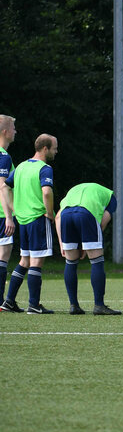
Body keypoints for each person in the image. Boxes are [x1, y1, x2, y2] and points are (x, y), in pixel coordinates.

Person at [2, 134, 58, 314]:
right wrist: (49, 213)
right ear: (45, 149)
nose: (56, 151)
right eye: (54, 148)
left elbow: (4, 187)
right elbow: (47, 192)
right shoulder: (45, 168)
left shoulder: (20, 167)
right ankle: (34, 305)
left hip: (23, 221)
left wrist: (14, 209)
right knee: (36, 262)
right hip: (37, 219)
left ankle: (9, 301)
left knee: (24, 260)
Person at [55, 182, 120, 315]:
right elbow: (102, 222)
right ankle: (99, 305)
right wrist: (87, 245)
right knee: (96, 260)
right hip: (86, 214)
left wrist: (62, 243)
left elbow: (57, 217)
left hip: (66, 215)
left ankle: (74, 305)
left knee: (70, 262)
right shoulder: (110, 196)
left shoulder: (73, 190)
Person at [0, 115, 17, 309]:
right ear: (5, 132)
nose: (15, 131)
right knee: (3, 256)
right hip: (1, 215)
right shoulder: (3, 156)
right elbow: (2, 186)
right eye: (13, 128)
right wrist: (9, 217)